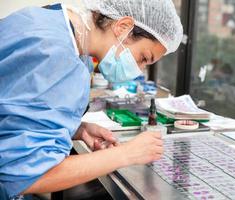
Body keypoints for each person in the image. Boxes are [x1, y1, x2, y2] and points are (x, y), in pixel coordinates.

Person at [0, 0, 183, 199]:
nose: (139, 69)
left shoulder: (49, 23)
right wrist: (126, 154)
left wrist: (76, 128)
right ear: (123, 27)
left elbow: (12, 105)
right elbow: (26, 175)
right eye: (143, 58)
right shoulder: (57, 55)